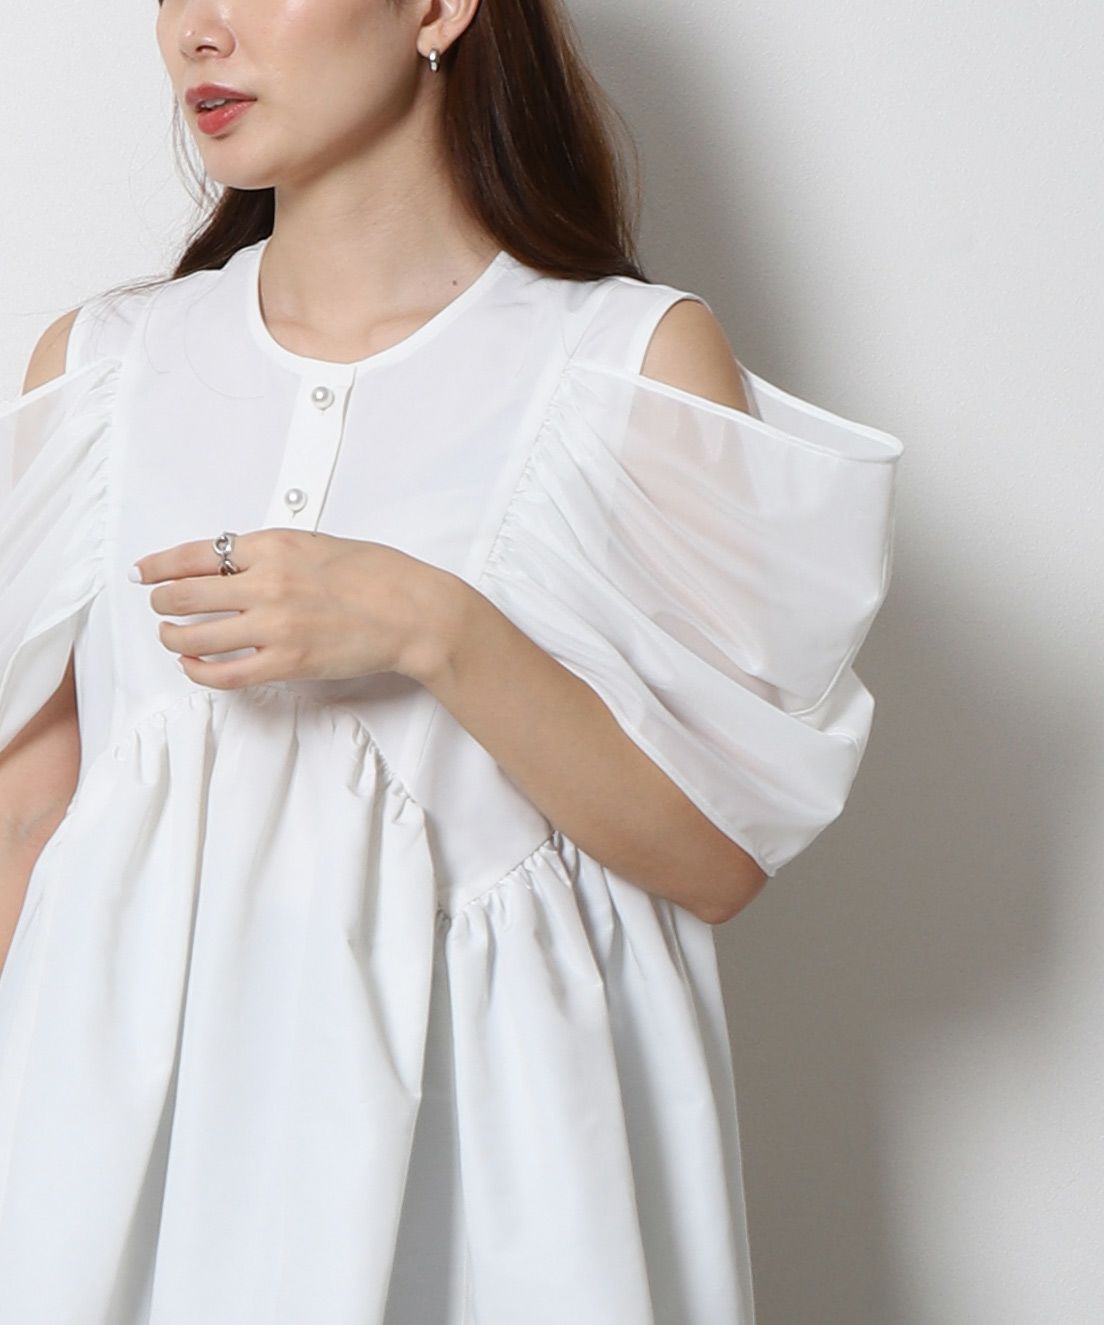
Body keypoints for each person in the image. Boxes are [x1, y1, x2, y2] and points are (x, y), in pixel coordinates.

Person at [0, 1, 904, 1321]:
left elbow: (717, 855)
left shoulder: (625, 365)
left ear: (436, 9)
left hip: (494, 1164)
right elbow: (27, 814)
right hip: (116, 1155)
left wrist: (434, 626)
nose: (197, 29)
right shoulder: (103, 368)